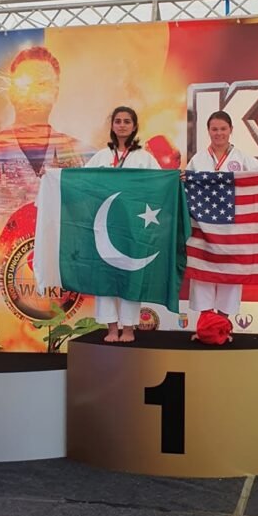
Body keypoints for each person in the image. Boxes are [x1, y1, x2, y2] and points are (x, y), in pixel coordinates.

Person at [0, 45, 94, 251]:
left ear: (55, 94)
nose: (32, 95)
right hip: (3, 269)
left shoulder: (86, 158)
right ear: (11, 93)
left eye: (42, 85)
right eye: (24, 86)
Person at [86, 106, 160, 343]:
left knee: (131, 277)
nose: (122, 125)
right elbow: (82, 181)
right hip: (104, 226)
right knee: (105, 278)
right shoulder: (101, 157)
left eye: (127, 121)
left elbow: (159, 183)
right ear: (112, 125)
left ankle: (128, 328)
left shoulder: (144, 157)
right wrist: (56, 176)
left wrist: (174, 179)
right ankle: (111, 328)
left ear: (134, 126)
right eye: (118, 121)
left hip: (133, 227)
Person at [186, 110, 258, 321]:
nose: (218, 133)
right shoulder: (198, 159)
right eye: (214, 129)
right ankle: (205, 326)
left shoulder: (244, 159)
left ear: (231, 130)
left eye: (223, 129)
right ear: (208, 131)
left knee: (230, 273)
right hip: (203, 226)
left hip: (232, 228)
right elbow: (186, 187)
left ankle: (222, 326)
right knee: (203, 273)